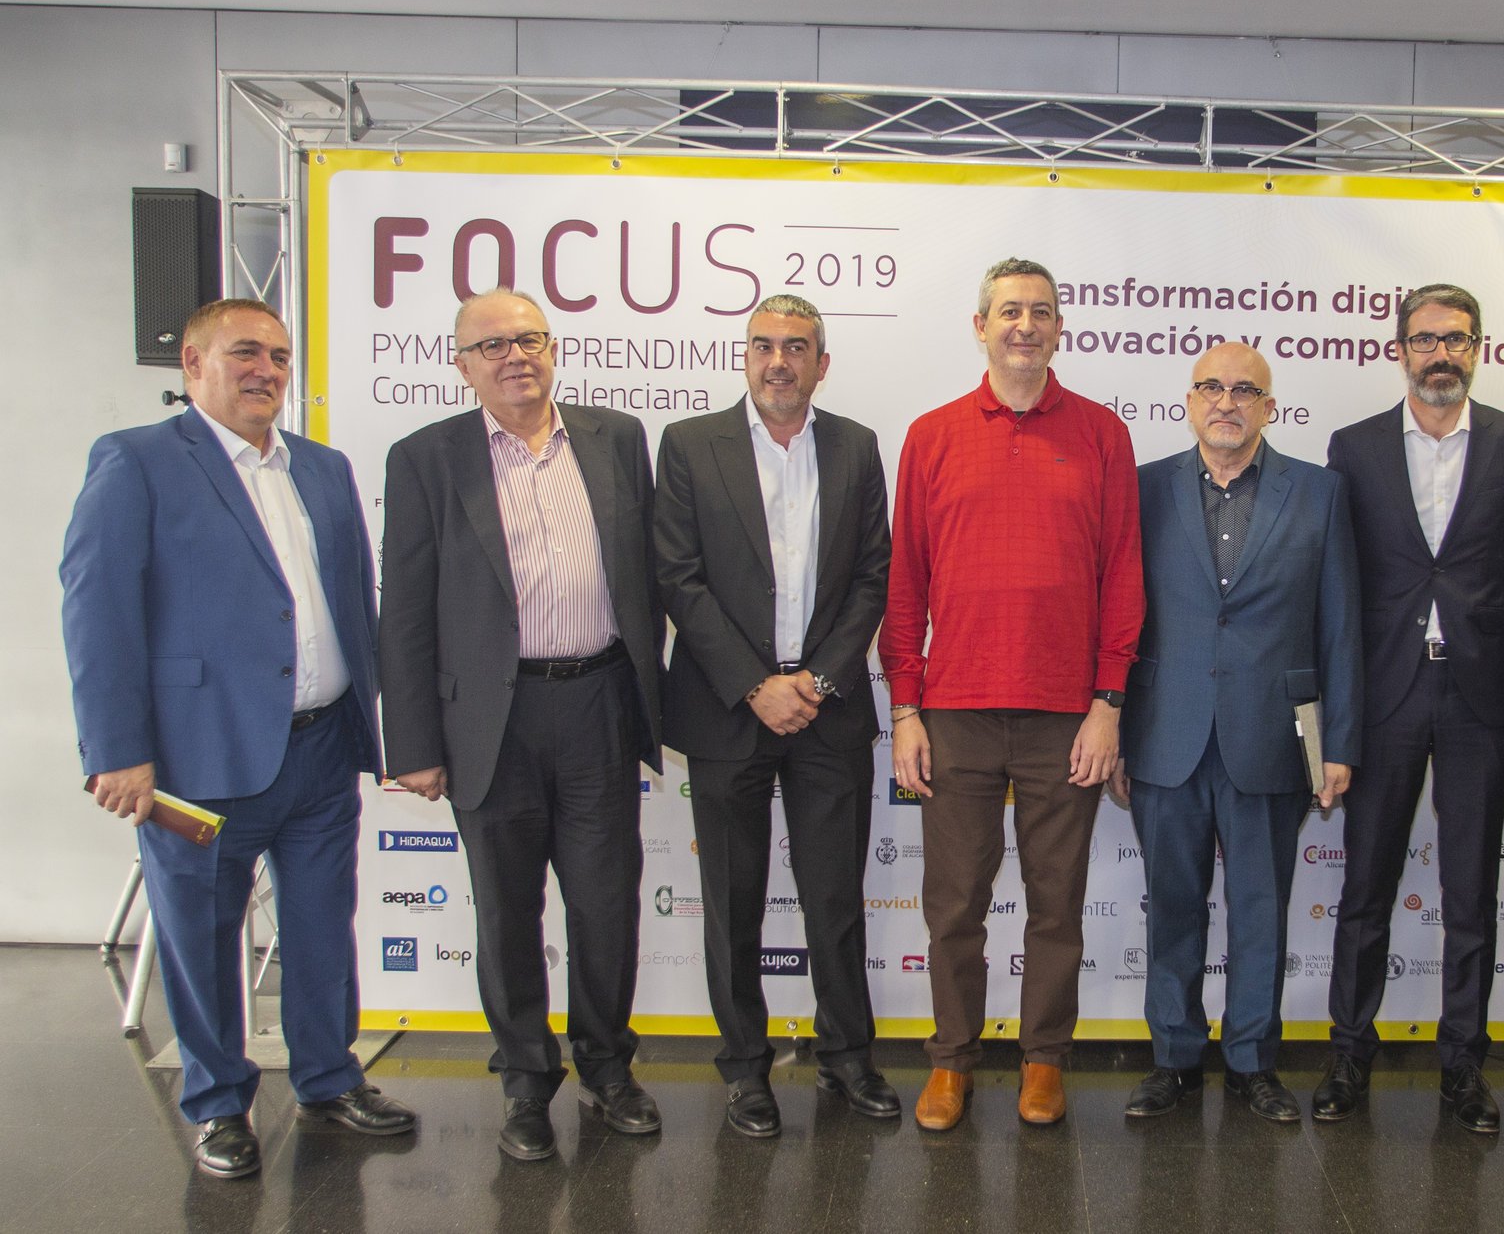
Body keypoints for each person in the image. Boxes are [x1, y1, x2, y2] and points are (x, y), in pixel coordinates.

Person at [61, 298, 416, 1180]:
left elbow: (353, 602)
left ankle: (328, 1077)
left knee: (322, 928)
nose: (267, 370)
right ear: (193, 362)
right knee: (202, 936)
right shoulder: (137, 461)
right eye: (245, 352)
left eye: (280, 356)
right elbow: (97, 611)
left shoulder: (322, 468)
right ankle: (219, 1103)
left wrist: (387, 724)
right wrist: (115, 750)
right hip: (198, 758)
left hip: (321, 749)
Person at [379, 287, 664, 1162]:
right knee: (507, 912)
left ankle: (608, 1067)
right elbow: (406, 610)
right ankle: (526, 1082)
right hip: (490, 721)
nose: (516, 357)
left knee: (606, 903)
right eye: (493, 345)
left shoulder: (617, 438)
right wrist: (414, 743)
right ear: (461, 364)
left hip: (600, 703)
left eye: (530, 339)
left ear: (554, 348)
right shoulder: (425, 458)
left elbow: (651, 575)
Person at [881, 257, 1144, 1131]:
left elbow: (1123, 577)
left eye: (1040, 311)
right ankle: (951, 1061)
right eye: (1008, 311)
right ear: (981, 326)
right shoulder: (932, 434)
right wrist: (905, 708)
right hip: (954, 709)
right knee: (955, 903)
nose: (1024, 325)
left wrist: (1109, 701)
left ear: (1060, 327)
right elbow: (905, 586)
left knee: (1056, 902)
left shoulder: (1102, 433)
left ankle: (1043, 1060)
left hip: (1066, 713)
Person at [653, 294, 896, 1138]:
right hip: (727, 709)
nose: (779, 361)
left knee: (835, 898)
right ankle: (745, 1068)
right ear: (745, 356)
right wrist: (756, 683)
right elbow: (678, 576)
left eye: (796, 347)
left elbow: (873, 575)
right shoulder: (690, 444)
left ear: (821, 363)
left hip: (828, 712)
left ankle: (847, 1055)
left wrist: (817, 681)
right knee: (732, 902)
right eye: (763, 345)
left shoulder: (856, 446)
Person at [1114, 344, 1362, 1124]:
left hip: (1272, 734)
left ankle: (1253, 1061)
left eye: (1245, 390)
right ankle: (1174, 1058)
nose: (1228, 401)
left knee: (1261, 909)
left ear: (1269, 406)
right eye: (1212, 388)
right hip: (1165, 730)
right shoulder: (1143, 487)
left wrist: (1339, 743)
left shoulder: (1319, 492)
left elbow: (1341, 623)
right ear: (1189, 401)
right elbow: (1116, 615)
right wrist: (1113, 722)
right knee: (1172, 907)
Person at [1316, 284, 1504, 1131]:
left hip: (1478, 692)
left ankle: (1463, 1065)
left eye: (1456, 338)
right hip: (1385, 693)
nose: (1440, 353)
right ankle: (1349, 1052)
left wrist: (1479, 634)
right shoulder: (1356, 446)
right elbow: (1342, 575)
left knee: (1471, 890)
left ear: (1478, 348)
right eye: (1424, 339)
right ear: (1399, 349)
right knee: (1365, 885)